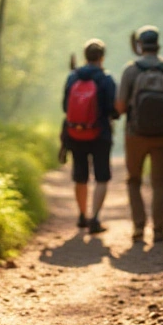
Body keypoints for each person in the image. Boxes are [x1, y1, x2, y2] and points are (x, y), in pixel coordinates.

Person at [116, 25, 163, 243]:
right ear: (158, 44)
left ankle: (139, 228)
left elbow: (120, 106)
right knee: (160, 183)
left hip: (134, 135)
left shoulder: (131, 70)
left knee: (134, 180)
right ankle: (159, 231)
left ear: (139, 46)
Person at [63, 39, 117, 234]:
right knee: (101, 176)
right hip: (101, 133)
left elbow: (64, 107)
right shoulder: (106, 79)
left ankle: (81, 215)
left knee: (80, 176)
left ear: (85, 56)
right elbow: (113, 108)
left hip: (75, 133)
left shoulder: (72, 77)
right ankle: (94, 218)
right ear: (102, 57)